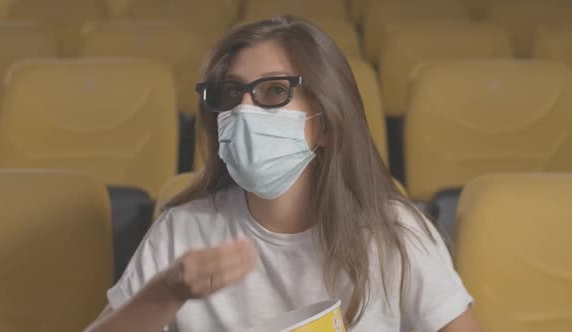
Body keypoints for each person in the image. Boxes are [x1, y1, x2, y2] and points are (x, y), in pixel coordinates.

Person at [85, 16, 481, 332]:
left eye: (274, 92)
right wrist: (168, 292)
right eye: (230, 93)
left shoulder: (394, 231)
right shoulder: (182, 230)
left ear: (325, 122)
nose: (243, 111)